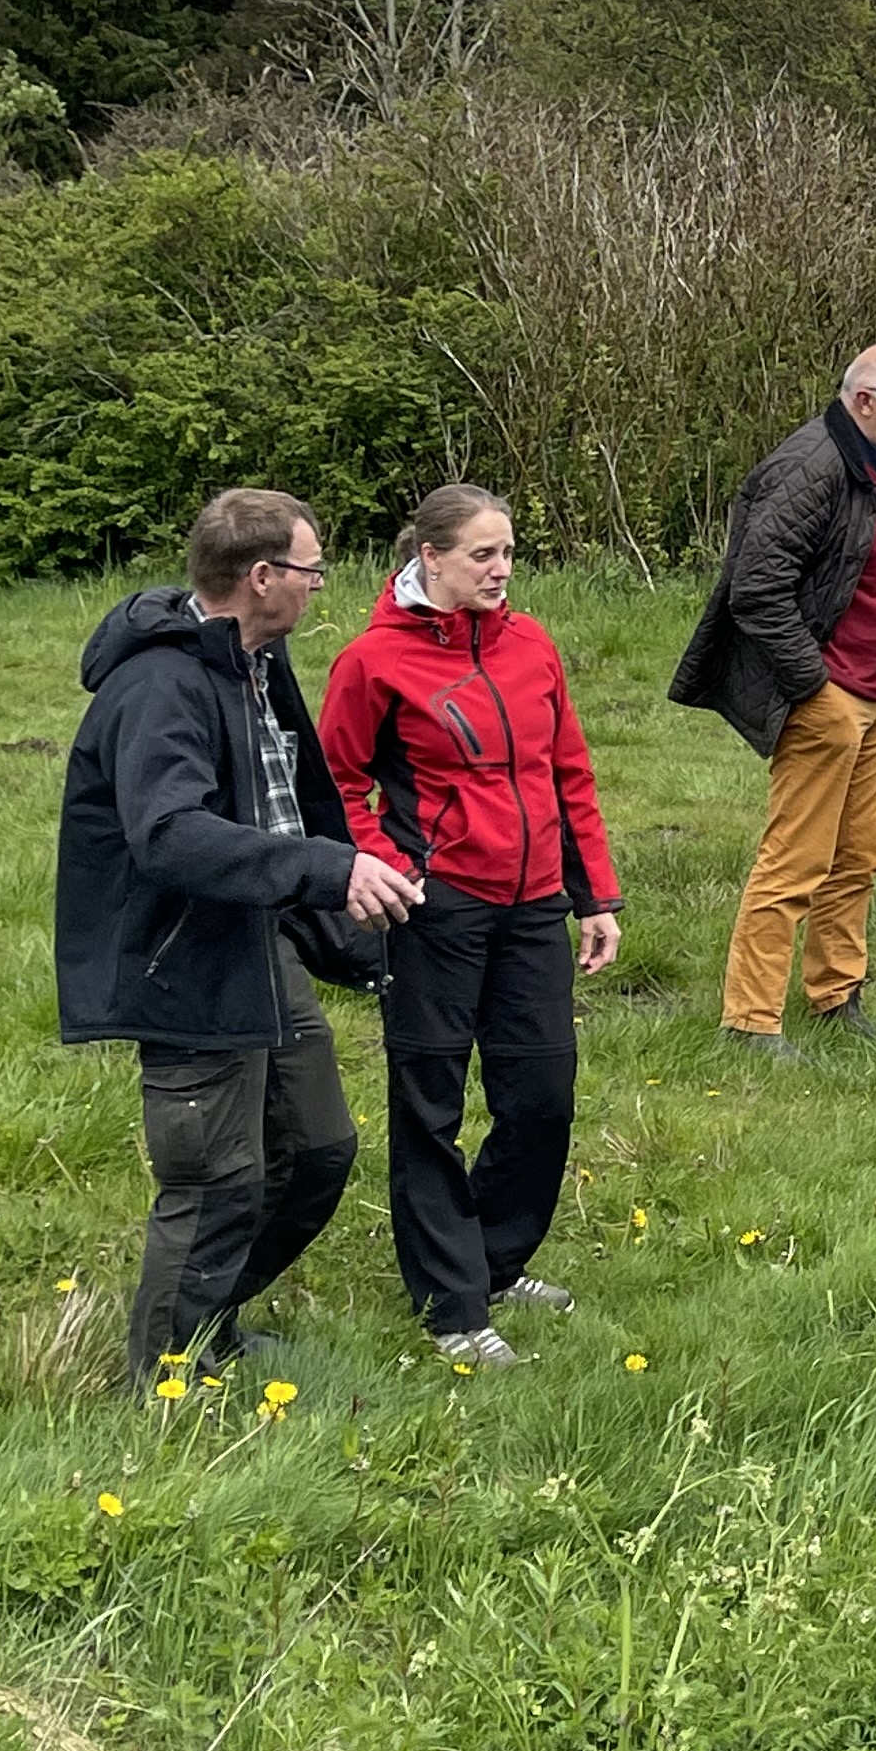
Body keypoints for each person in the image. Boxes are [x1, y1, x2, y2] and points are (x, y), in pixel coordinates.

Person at [56, 488, 421, 1393]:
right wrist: (328, 873)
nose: (318, 587)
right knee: (214, 1181)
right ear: (261, 577)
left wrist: (332, 912)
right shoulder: (163, 683)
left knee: (316, 1151)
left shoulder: (254, 659)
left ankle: (210, 1321)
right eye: (311, 569)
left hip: (260, 945)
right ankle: (163, 1381)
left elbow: (285, 797)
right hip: (181, 959)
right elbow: (170, 833)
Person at [317, 483, 623, 1367]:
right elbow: (336, 789)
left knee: (542, 1098)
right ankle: (450, 1305)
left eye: (509, 551)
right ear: (432, 558)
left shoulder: (532, 646)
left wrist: (594, 896)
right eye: (483, 554)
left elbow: (570, 774)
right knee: (431, 1105)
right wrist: (392, 869)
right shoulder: (372, 662)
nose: (502, 569)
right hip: (435, 910)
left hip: (533, 906)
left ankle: (493, 1258)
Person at [670, 345, 876, 1052]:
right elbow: (756, 589)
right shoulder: (810, 466)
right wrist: (814, 687)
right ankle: (750, 1020)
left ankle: (836, 996)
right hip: (830, 697)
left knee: (860, 856)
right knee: (796, 861)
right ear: (866, 399)